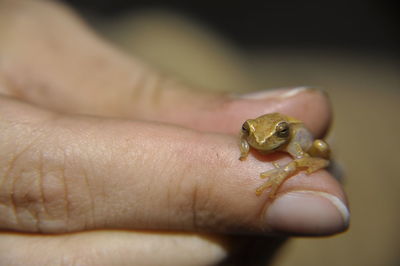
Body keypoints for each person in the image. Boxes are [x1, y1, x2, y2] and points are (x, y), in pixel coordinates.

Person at [0, 1, 349, 265]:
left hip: (308, 148)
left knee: (321, 148)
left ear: (284, 134)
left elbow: (302, 155)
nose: (260, 141)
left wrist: (283, 172)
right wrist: (245, 146)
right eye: (250, 133)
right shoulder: (256, 134)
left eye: (273, 136)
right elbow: (253, 134)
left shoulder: (290, 138)